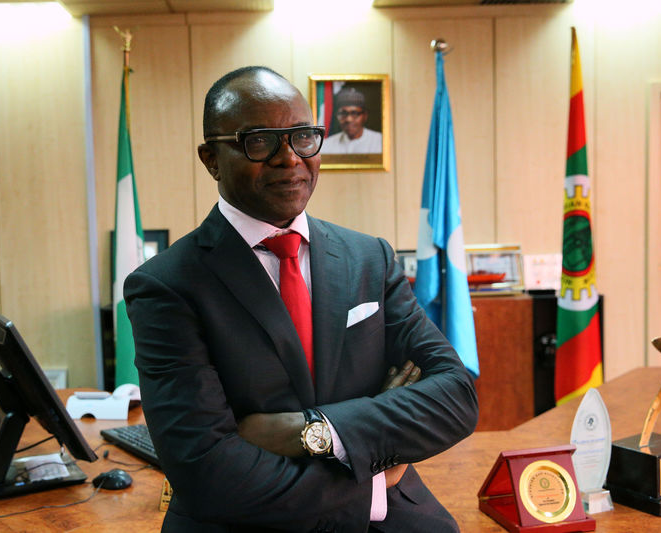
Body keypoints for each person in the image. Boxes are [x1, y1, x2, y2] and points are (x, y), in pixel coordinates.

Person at [124, 65, 478, 533]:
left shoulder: (369, 257)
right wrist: (373, 480)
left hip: (397, 519)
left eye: (302, 137)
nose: (288, 158)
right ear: (211, 159)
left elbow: (456, 396)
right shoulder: (166, 285)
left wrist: (314, 432)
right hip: (250, 519)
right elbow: (206, 470)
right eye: (259, 140)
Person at [321, 86, 383, 154]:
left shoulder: (380, 142)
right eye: (343, 113)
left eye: (354, 113)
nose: (349, 119)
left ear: (365, 116)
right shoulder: (327, 145)